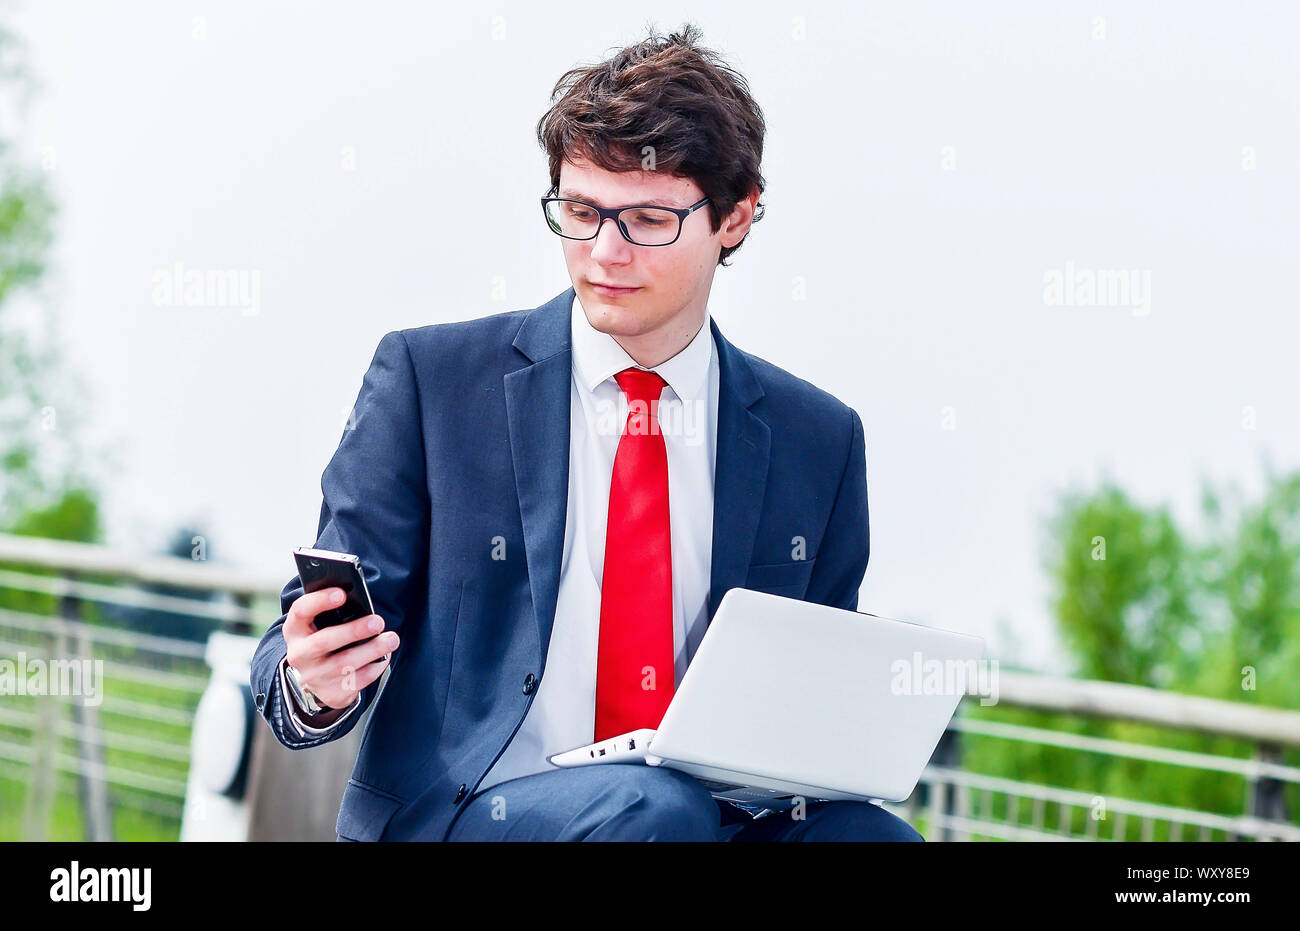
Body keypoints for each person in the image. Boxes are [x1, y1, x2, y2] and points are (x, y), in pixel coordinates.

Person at [251, 23, 922, 843]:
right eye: (579, 211)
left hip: (707, 816)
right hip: (474, 814)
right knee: (656, 809)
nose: (604, 251)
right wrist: (311, 679)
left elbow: (807, 704)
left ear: (737, 216)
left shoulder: (818, 439)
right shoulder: (433, 382)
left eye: (645, 219)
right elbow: (299, 649)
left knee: (869, 835)